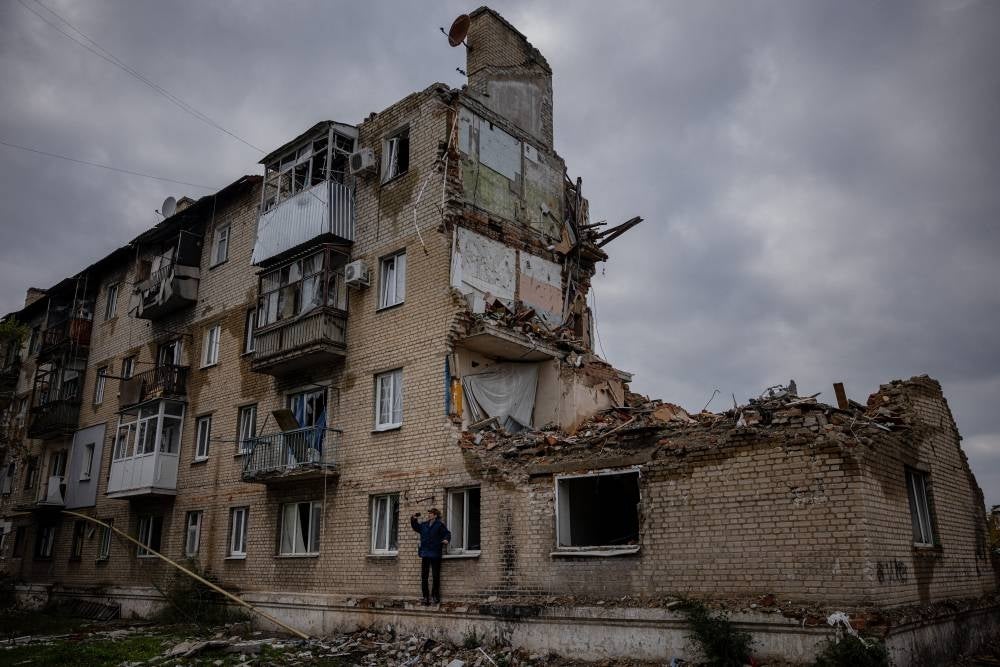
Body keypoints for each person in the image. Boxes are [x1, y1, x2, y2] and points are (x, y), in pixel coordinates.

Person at [410, 507, 450, 605]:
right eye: (429, 513)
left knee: (435, 576)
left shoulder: (439, 525)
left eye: (431, 513)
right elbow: (416, 527)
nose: (429, 515)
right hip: (425, 554)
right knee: (424, 576)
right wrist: (413, 519)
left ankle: (435, 597)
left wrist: (446, 539)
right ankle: (425, 597)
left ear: (435, 515)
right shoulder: (424, 525)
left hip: (435, 553)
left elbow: (447, 533)